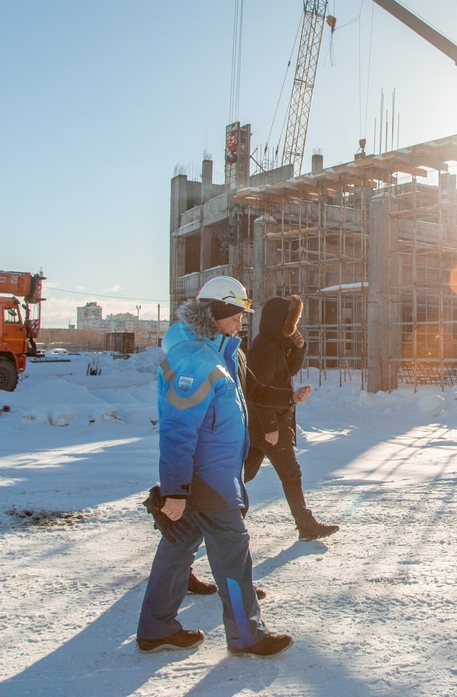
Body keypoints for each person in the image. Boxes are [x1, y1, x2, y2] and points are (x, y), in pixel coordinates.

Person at [136, 276, 307, 656]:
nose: (241, 323)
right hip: (206, 477)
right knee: (233, 551)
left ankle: (156, 628)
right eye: (236, 315)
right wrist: (176, 490)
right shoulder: (194, 358)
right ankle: (248, 636)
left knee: (176, 550)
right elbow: (178, 429)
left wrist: (288, 397)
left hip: (209, 473)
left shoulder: (214, 352)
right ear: (216, 312)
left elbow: (247, 395)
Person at [245, 294, 338, 542]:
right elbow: (258, 393)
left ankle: (212, 513)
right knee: (291, 475)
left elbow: (288, 370)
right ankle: (306, 526)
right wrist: (271, 427)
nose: (293, 326)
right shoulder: (264, 349)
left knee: (243, 473)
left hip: (265, 424)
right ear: (278, 320)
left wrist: (299, 348)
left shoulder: (272, 344)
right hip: (270, 424)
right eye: (290, 321)